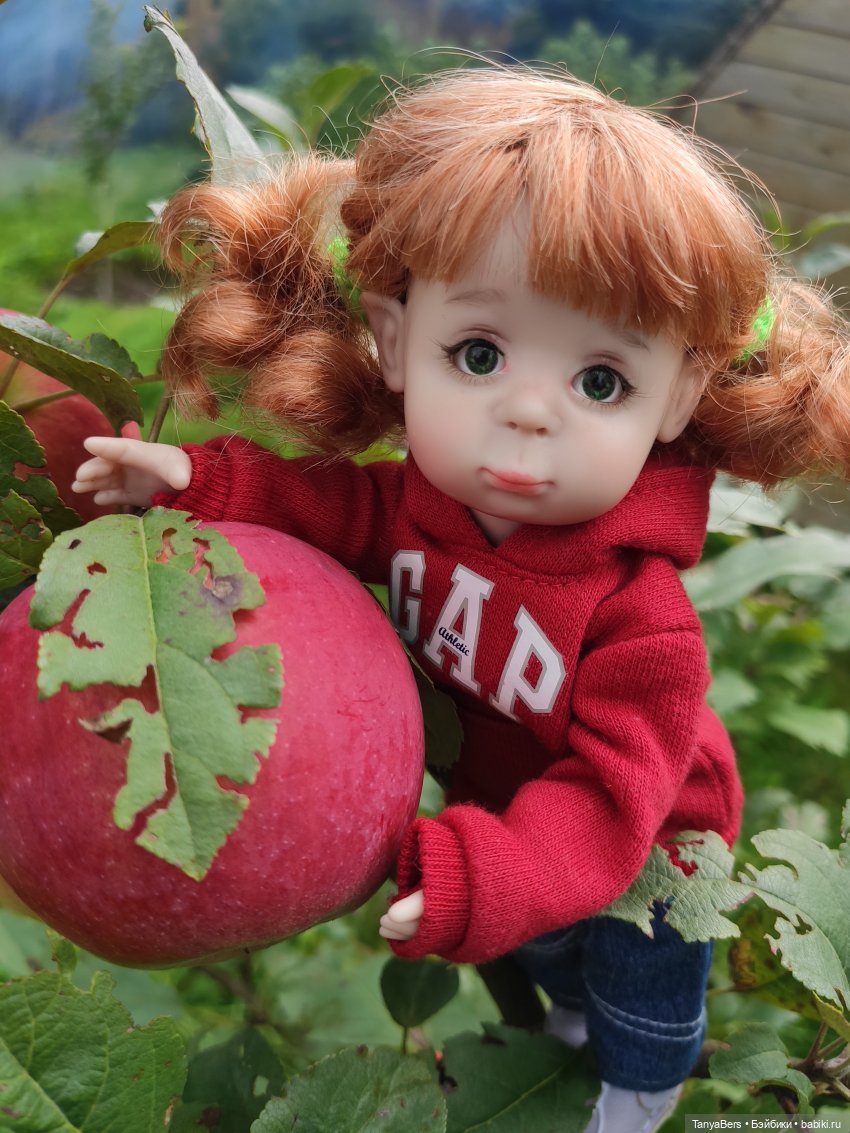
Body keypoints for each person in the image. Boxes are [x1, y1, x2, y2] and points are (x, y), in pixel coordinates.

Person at [72, 67, 850, 1132]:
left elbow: (613, 801)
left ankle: (643, 1089)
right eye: (477, 353)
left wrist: (491, 874)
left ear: (679, 392)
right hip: (499, 801)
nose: (528, 411)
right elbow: (327, 508)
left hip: (647, 835)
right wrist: (194, 480)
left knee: (637, 981)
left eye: (601, 380)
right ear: (394, 341)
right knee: (546, 958)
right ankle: (565, 1020)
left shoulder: (641, 622)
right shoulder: (415, 507)